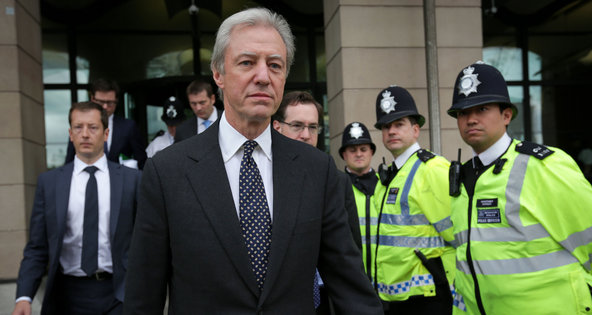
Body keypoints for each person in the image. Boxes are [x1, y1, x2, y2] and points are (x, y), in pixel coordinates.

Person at [123, 7, 382, 314]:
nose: (263, 77)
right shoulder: (167, 172)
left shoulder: (317, 170)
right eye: (247, 62)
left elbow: (350, 284)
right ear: (218, 74)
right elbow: (144, 296)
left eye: (275, 65)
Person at [447, 61, 592, 314]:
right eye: (462, 112)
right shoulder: (463, 178)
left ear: (506, 115)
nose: (470, 119)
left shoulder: (543, 165)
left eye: (482, 109)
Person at [12, 101, 141, 315]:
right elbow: (37, 246)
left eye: (93, 127)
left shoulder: (132, 180)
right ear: (70, 134)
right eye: (78, 127)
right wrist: (24, 296)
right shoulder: (50, 183)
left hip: (119, 294)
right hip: (67, 297)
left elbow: (147, 242)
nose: (85, 134)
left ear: (106, 133)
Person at [272, 91, 364, 314]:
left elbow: (349, 256)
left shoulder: (338, 181)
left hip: (325, 300)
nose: (306, 134)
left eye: (312, 127)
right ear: (277, 127)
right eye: (297, 125)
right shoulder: (262, 180)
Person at [373, 85, 455, 314]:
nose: (391, 131)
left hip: (428, 295)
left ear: (416, 130)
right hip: (394, 295)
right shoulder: (388, 176)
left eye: (399, 125)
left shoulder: (432, 169)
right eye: (386, 126)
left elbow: (457, 234)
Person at [65, 78, 147, 169]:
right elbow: (70, 160)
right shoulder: (80, 126)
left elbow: (142, 161)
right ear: (92, 98)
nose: (105, 106)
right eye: (101, 102)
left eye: (110, 103)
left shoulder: (128, 127)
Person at [338, 122, 379, 280]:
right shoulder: (336, 187)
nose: (359, 154)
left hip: (384, 280)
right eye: (352, 150)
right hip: (351, 277)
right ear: (344, 154)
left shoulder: (386, 185)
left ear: (371, 152)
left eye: (363, 149)